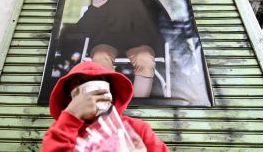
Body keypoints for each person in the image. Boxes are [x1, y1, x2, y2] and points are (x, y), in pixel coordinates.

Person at [77, 0, 172, 97]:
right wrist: (95, 8)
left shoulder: (148, 1)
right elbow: (83, 27)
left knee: (145, 59)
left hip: (141, 44)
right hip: (106, 43)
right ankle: (108, 101)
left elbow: (166, 26)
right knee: (100, 57)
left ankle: (139, 101)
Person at [41, 61, 169, 151]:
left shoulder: (137, 128)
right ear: (69, 95)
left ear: (111, 92)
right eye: (80, 81)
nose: (91, 88)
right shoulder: (61, 131)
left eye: (99, 80)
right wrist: (71, 115)